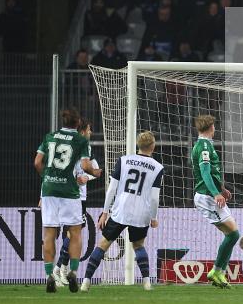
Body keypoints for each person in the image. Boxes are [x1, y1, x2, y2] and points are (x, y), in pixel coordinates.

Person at [80, 131, 162, 292]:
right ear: (153, 146)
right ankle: (146, 282)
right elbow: (154, 198)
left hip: (120, 211)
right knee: (138, 246)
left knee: (102, 245)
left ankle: (86, 282)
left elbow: (112, 189)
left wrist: (105, 212)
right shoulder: (158, 168)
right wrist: (153, 217)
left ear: (138, 145)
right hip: (141, 213)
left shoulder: (123, 160)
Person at [33, 107, 102, 293]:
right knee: (75, 233)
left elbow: (37, 163)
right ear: (78, 124)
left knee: (49, 234)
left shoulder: (49, 137)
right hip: (70, 193)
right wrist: (94, 172)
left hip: (49, 190)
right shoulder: (80, 142)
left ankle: (49, 274)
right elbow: (86, 166)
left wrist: (46, 180)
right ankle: (72, 271)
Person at [191, 115, 239, 288]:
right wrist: (215, 193)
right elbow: (204, 172)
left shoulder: (205, 144)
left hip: (211, 194)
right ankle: (217, 271)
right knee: (233, 234)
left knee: (232, 234)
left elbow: (211, 172)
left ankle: (218, 271)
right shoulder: (204, 145)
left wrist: (221, 189)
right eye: (214, 126)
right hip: (206, 197)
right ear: (211, 127)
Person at [52, 120, 98, 287]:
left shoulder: (86, 148)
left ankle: (60, 269)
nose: (91, 132)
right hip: (73, 196)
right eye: (89, 129)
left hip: (78, 196)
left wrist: (88, 176)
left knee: (72, 233)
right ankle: (59, 269)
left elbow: (95, 169)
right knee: (73, 233)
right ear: (83, 131)